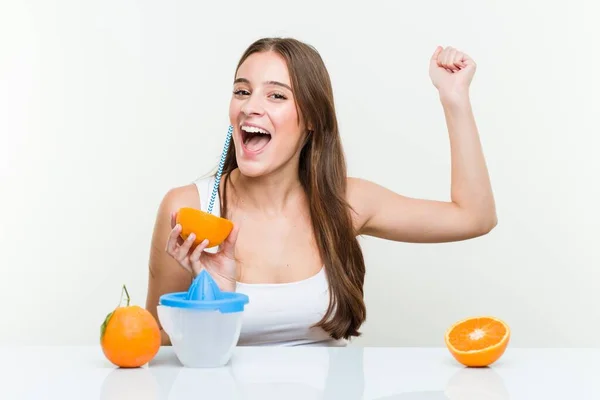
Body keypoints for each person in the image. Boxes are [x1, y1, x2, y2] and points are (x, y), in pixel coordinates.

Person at [145, 37, 497, 347]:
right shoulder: (188, 208)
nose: (250, 107)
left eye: (276, 95)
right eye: (242, 91)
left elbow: (474, 217)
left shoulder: (345, 203)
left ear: (312, 118)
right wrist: (212, 301)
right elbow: (159, 343)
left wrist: (455, 99)